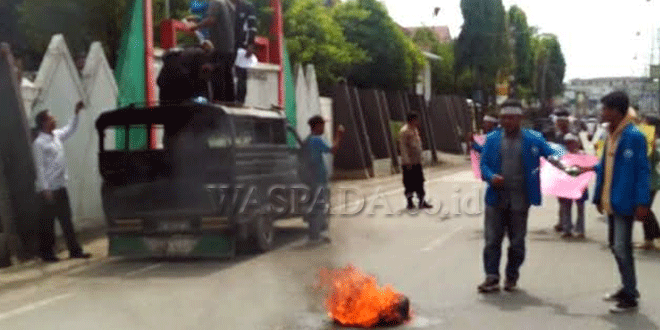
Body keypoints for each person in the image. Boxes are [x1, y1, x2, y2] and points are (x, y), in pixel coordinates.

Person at [477, 99, 568, 293]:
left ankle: (512, 276)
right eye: (504, 118)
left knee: (517, 242)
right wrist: (492, 177)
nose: (507, 122)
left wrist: (568, 166)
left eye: (512, 118)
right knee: (492, 240)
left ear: (520, 119)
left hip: (520, 199)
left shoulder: (534, 139)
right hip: (496, 198)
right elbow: (483, 165)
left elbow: (551, 154)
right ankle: (491, 277)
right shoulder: (492, 139)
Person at [580, 91, 650, 313]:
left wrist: (642, 203)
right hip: (611, 201)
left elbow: (642, 172)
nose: (601, 112)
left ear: (616, 111)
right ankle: (626, 287)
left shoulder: (634, 137)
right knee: (615, 247)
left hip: (626, 202)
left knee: (622, 248)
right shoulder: (611, 135)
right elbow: (606, 167)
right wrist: (588, 171)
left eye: (604, 109)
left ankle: (630, 296)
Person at [32, 102, 92, 262]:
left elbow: (70, 129)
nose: (55, 121)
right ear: (44, 123)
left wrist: (76, 113)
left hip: (60, 187)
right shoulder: (39, 143)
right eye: (52, 118)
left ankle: (75, 251)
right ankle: (47, 254)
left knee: (67, 220)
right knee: (48, 224)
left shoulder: (56, 136)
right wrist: (45, 190)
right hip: (49, 190)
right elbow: (40, 168)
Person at [303, 116, 344, 245]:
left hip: (311, 179)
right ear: (317, 126)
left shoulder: (308, 140)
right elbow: (333, 150)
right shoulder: (316, 140)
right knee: (319, 207)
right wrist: (339, 135)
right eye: (322, 126)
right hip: (318, 179)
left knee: (316, 207)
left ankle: (316, 234)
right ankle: (315, 236)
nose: (324, 128)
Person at [189, 0, 236, 103]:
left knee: (218, 79)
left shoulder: (215, 2)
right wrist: (200, 20)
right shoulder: (229, 4)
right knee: (228, 79)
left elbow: (211, 20)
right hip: (230, 46)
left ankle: (219, 104)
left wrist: (195, 27)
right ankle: (231, 105)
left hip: (219, 46)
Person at [399, 113, 432, 210]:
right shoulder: (404, 131)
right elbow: (403, 148)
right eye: (416, 119)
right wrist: (407, 161)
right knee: (409, 183)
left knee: (420, 182)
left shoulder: (414, 129)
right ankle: (409, 202)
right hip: (409, 162)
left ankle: (422, 201)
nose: (418, 122)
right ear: (412, 120)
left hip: (417, 161)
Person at [559, 133, 588, 239]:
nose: (570, 145)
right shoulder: (563, 155)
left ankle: (580, 230)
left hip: (580, 185)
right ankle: (567, 229)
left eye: (571, 142)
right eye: (567, 143)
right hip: (567, 186)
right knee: (566, 208)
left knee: (580, 209)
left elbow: (586, 169)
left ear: (576, 143)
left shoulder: (582, 155)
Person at [639, 115, 660, 250]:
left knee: (644, 209)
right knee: (643, 210)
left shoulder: (657, 142)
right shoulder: (644, 139)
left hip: (652, 180)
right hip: (643, 180)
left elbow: (655, 157)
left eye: (644, 124)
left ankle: (657, 236)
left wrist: (651, 148)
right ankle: (648, 240)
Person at [232, 0, 257, 104]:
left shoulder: (248, 7)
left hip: (242, 46)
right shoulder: (226, 5)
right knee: (227, 72)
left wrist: (250, 44)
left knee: (241, 74)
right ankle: (229, 98)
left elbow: (252, 27)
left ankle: (240, 100)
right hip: (228, 44)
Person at [552, 109, 572, 233]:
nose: (559, 124)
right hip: (559, 168)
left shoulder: (572, 135)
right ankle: (563, 221)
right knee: (561, 197)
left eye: (562, 121)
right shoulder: (557, 136)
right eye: (558, 121)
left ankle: (567, 224)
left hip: (570, 168)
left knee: (568, 197)